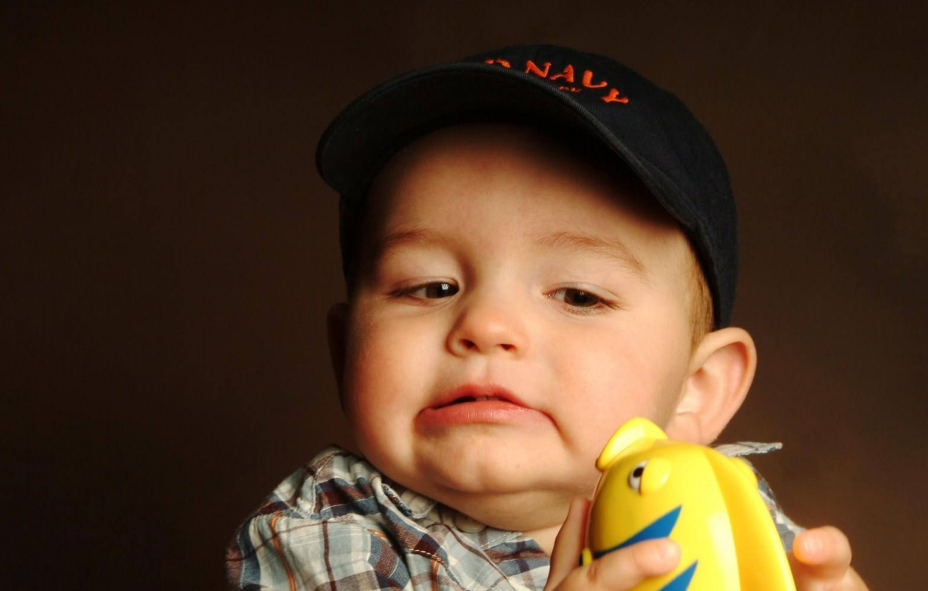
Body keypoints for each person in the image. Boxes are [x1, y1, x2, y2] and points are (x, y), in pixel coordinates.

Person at [226, 44, 868, 590]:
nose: (487, 325)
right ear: (346, 353)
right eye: (430, 286)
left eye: (578, 296)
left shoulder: (728, 516)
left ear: (696, 390)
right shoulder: (329, 529)